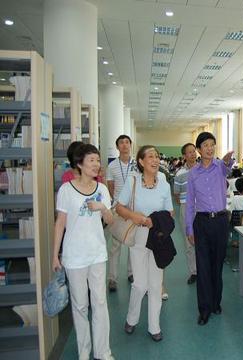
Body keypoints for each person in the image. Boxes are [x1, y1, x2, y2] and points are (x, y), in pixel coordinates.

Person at [52, 144, 114, 360]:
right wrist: (54, 256)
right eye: (92, 160)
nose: (97, 164)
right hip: (74, 256)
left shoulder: (102, 190)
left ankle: (103, 351)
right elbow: (60, 223)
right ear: (79, 164)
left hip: (97, 253)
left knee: (99, 303)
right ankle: (84, 352)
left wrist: (103, 208)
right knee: (80, 306)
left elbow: (110, 220)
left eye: (98, 160)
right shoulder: (66, 190)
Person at [117, 145, 174, 342]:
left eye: (157, 156)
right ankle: (131, 318)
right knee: (140, 284)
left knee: (156, 284)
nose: (155, 160)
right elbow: (119, 208)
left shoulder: (164, 184)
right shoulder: (132, 181)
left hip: (158, 237)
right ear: (141, 162)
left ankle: (154, 326)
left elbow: (170, 213)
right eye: (151, 156)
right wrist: (137, 217)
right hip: (139, 236)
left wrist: (154, 221)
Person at [185, 132, 234, 326]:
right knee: (203, 267)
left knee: (217, 265)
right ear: (198, 149)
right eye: (205, 145)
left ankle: (216, 303)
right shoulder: (193, 173)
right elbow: (189, 203)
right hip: (202, 223)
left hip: (221, 221)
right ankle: (204, 309)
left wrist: (229, 160)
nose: (210, 148)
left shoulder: (220, 167)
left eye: (213, 144)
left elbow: (228, 167)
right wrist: (189, 229)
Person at [106, 135, 136, 291]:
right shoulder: (112, 166)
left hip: (134, 210)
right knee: (115, 246)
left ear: (130, 145)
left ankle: (131, 273)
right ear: (117, 147)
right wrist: (118, 202)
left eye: (127, 142)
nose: (124, 145)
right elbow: (110, 186)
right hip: (118, 209)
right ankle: (112, 278)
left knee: (132, 243)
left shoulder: (137, 164)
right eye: (121, 143)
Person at [174, 142, 198, 285]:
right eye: (189, 152)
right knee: (189, 241)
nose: (193, 154)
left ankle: (204, 270)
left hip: (202, 208)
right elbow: (176, 194)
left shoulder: (203, 169)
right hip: (186, 208)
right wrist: (186, 203)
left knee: (203, 241)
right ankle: (193, 271)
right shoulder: (180, 173)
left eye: (194, 151)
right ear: (184, 155)